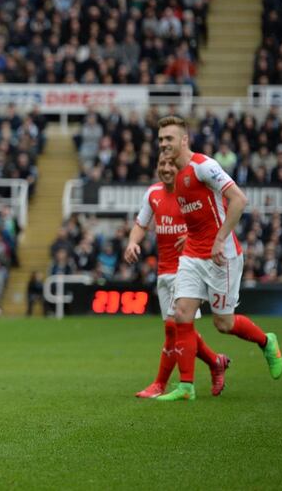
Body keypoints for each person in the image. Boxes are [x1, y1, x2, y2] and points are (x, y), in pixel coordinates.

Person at [153, 116, 282, 401]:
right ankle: (186, 387)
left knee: (223, 323)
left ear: (184, 140)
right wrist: (191, 234)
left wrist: (220, 238)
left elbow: (239, 199)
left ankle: (266, 341)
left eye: (169, 139)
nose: (163, 144)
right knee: (182, 314)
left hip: (221, 255)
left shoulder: (204, 166)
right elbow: (201, 212)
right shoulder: (175, 173)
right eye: (161, 139)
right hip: (192, 254)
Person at [124, 155, 228, 398]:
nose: (167, 169)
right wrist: (132, 243)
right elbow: (141, 224)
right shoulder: (153, 193)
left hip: (190, 267)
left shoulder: (191, 191)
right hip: (164, 272)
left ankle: (161, 384)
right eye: (162, 164)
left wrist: (192, 240)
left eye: (171, 164)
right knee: (179, 330)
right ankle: (215, 361)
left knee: (174, 327)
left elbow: (210, 224)